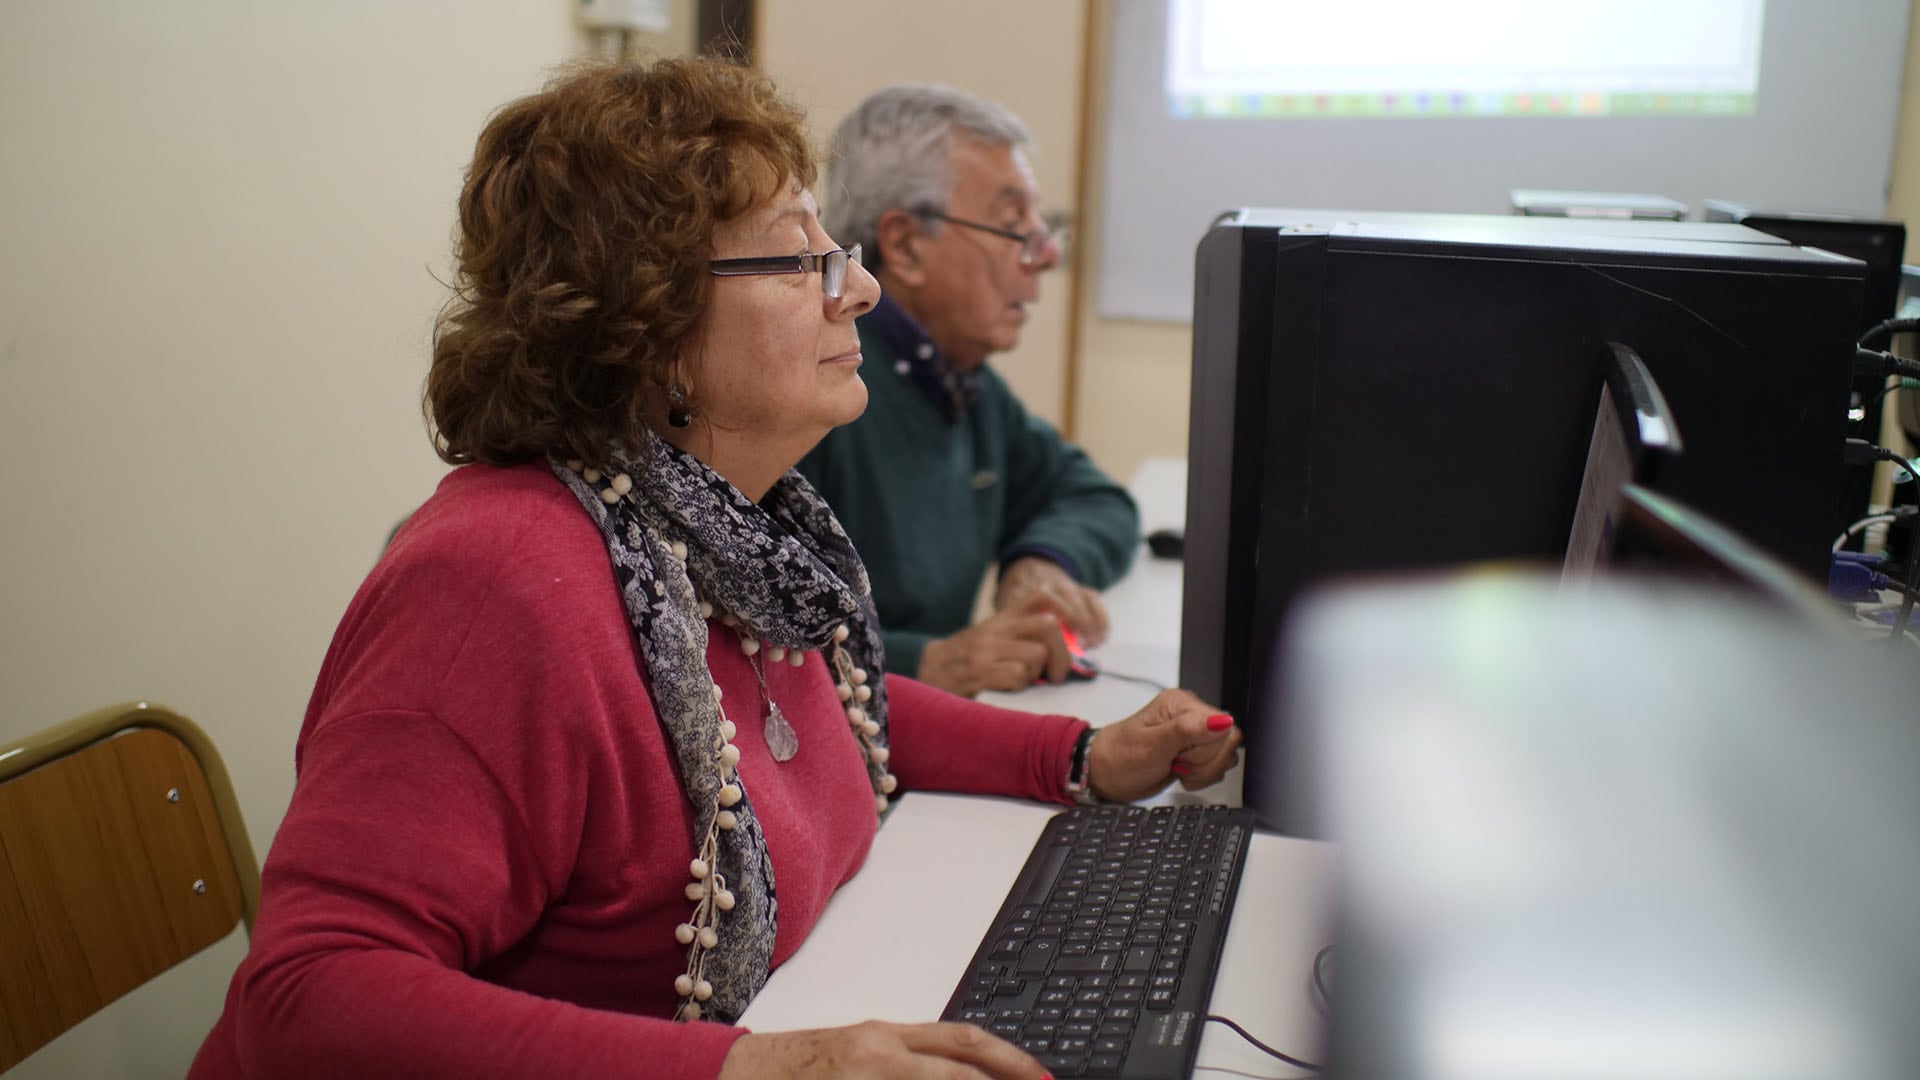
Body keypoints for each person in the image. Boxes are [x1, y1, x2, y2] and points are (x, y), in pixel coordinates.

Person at [188, 57, 1240, 1080]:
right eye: (800, 258)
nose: (860, 286)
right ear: (652, 327)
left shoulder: (717, 536)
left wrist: (1080, 757)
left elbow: (842, 709)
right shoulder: (491, 586)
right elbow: (308, 1001)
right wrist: (758, 1069)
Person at [799, 85, 1140, 698]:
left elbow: (1097, 499)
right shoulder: (816, 388)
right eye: (1014, 226)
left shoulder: (961, 383)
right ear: (905, 246)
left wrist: (1044, 562)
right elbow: (737, 642)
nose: (1048, 253)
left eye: (1044, 224)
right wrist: (927, 664)